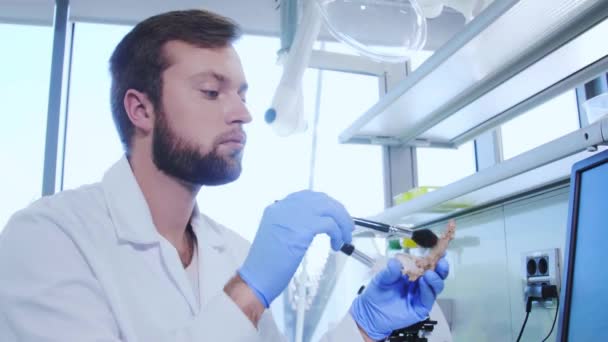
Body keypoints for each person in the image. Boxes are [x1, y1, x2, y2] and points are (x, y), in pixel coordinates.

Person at [0, 9, 449, 342]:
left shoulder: (232, 252)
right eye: (212, 92)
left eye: (241, 93)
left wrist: (363, 328)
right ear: (141, 109)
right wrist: (247, 292)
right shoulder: (47, 239)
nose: (243, 113)